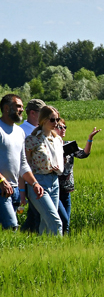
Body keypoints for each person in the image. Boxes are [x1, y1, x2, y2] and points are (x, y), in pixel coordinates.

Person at [0, 94, 43, 230]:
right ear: (6, 108)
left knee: (8, 230)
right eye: (18, 106)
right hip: (1, 188)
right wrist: (1, 181)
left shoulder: (20, 132)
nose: (21, 110)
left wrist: (34, 183)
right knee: (12, 227)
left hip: (14, 189)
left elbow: (23, 164)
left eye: (22, 107)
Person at [55, 117, 101, 234]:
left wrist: (90, 139)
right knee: (62, 220)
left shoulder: (69, 145)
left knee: (67, 223)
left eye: (65, 127)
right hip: (54, 189)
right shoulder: (50, 145)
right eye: (60, 127)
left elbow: (83, 154)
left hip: (67, 190)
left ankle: (63, 245)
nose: (63, 129)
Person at [24, 105, 64, 235]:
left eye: (57, 120)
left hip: (54, 181)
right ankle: (59, 251)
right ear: (43, 120)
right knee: (55, 221)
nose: (56, 123)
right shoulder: (32, 140)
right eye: (52, 120)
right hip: (39, 182)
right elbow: (25, 164)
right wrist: (24, 188)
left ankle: (44, 249)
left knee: (46, 222)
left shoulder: (57, 140)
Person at [19, 98, 45, 232]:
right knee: (36, 215)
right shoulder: (22, 131)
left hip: (42, 179)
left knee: (36, 214)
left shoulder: (43, 130)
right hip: (29, 179)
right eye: (43, 112)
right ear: (33, 113)